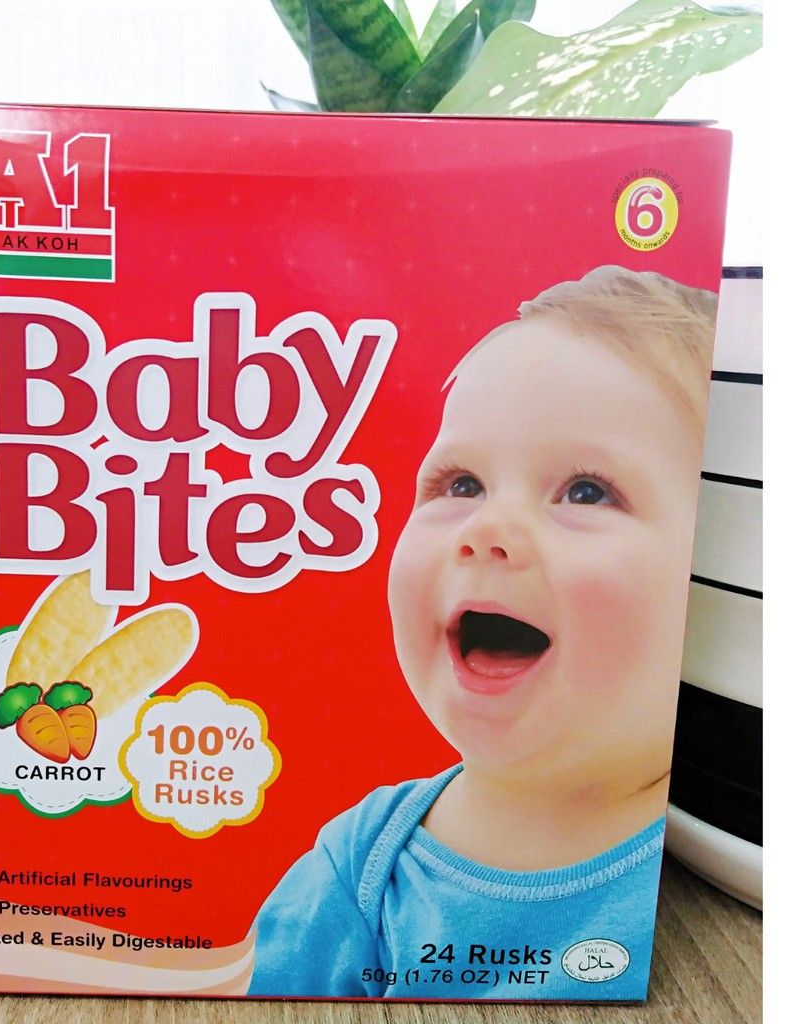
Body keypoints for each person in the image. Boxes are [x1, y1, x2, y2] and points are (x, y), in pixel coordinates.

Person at [247, 266, 718, 1000]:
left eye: (586, 491)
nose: (486, 527)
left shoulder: (710, 866)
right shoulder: (365, 865)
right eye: (461, 483)